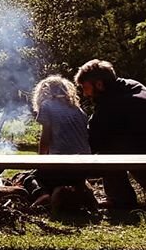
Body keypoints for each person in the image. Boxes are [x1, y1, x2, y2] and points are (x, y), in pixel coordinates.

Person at [74, 59, 146, 209]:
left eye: (85, 88)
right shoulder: (132, 86)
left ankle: (120, 199)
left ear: (99, 85)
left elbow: (93, 141)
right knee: (121, 141)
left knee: (107, 151)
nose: (84, 93)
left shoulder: (112, 105)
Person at [30, 75, 96, 211]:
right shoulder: (78, 110)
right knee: (70, 178)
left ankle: (43, 195)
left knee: (32, 177)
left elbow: (46, 138)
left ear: (44, 92)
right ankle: (83, 193)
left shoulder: (47, 106)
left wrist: (40, 161)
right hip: (83, 168)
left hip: (62, 166)